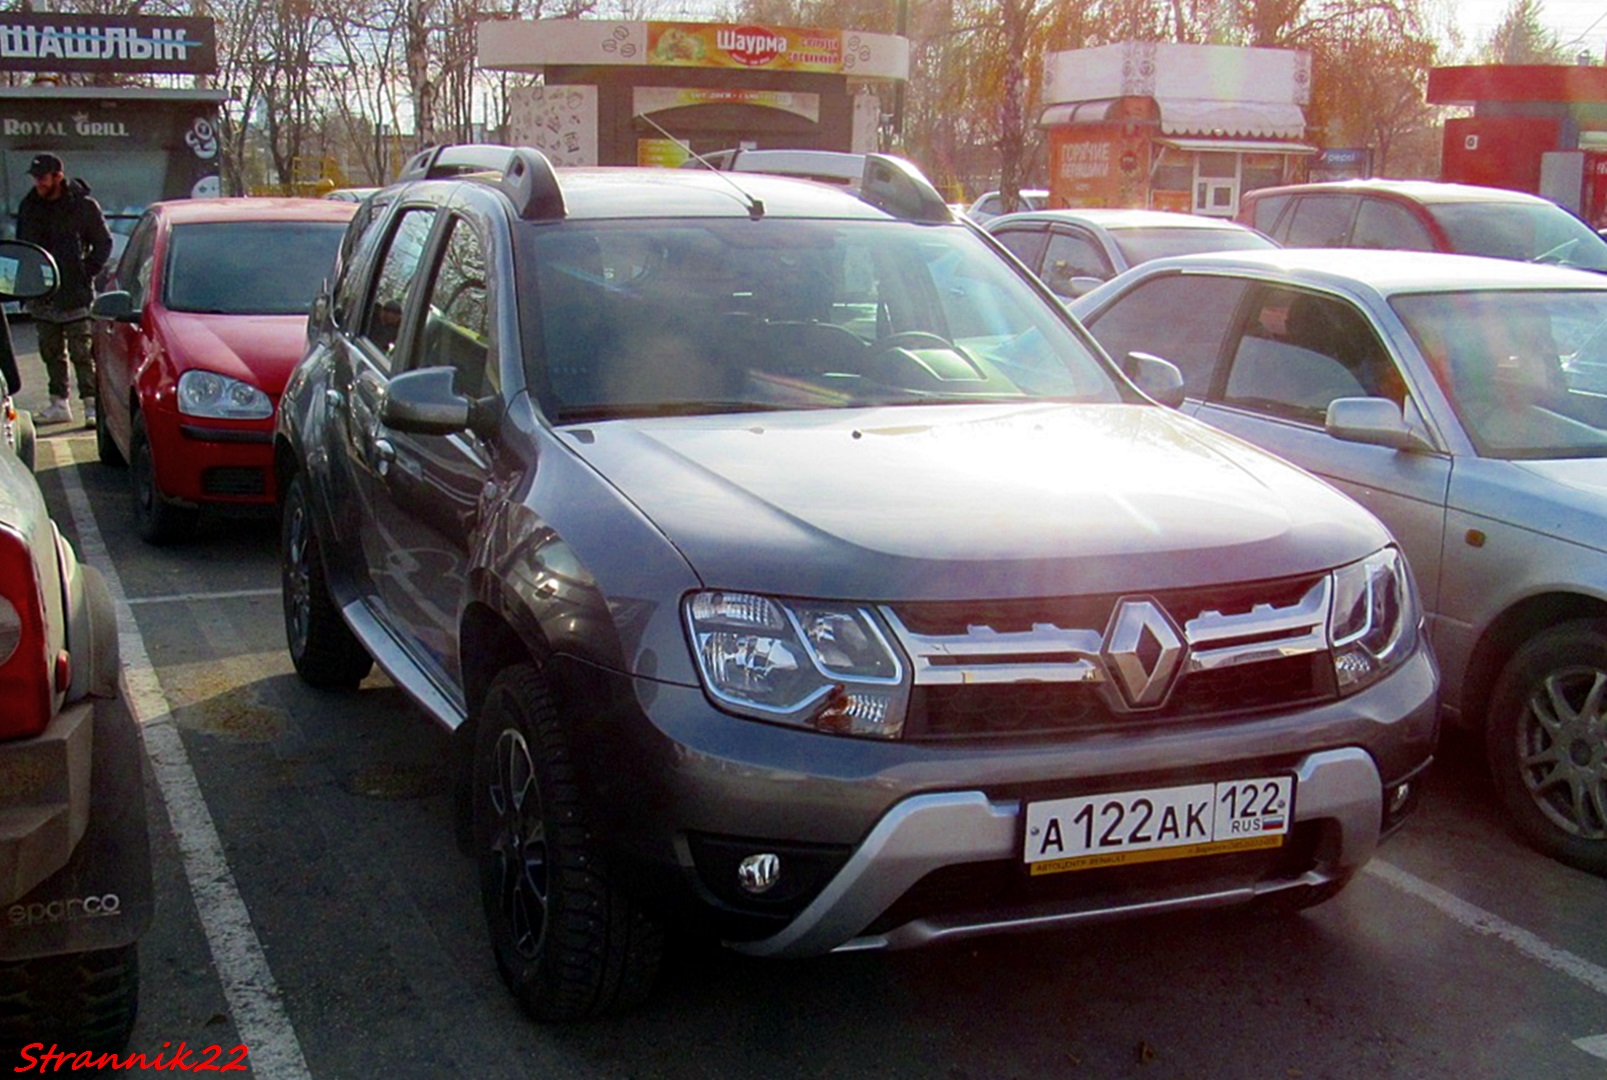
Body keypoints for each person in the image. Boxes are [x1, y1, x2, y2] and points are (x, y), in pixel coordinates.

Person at [16, 152, 112, 427]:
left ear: (58, 176)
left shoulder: (83, 206)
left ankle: (92, 406)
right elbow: (23, 246)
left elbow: (103, 243)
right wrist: (25, 285)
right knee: (50, 350)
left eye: (43, 177)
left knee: (82, 352)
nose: (38, 183)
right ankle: (58, 403)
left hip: (75, 293)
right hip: (41, 292)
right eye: (35, 178)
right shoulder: (29, 205)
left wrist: (85, 271)